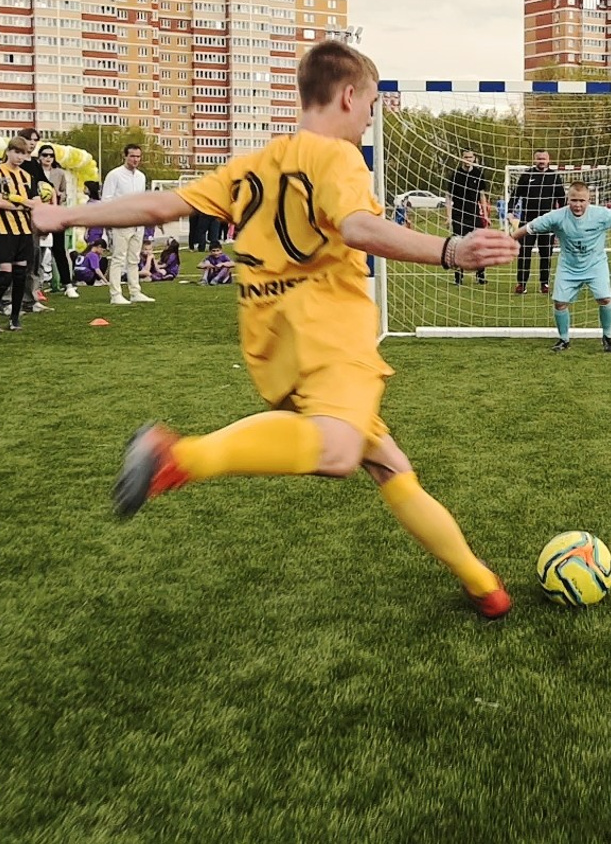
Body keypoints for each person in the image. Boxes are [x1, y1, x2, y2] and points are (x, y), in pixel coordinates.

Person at [32, 39, 520, 618]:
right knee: (339, 452)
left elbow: (163, 206)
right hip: (330, 337)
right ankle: (179, 455)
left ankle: (483, 586)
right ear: (346, 95)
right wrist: (449, 249)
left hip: (273, 345)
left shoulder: (254, 164)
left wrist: (68, 214)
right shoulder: (338, 157)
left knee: (389, 463)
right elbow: (361, 226)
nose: (368, 120)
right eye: (369, 107)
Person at [514, 180, 611, 353]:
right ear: (567, 199)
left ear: (589, 200)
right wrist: (508, 239)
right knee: (560, 302)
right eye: (574, 200)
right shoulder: (556, 216)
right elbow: (529, 227)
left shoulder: (602, 214)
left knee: (605, 299)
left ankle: (607, 337)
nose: (577, 205)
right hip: (568, 266)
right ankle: (564, 339)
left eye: (581, 201)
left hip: (595, 265)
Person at [0, 136, 41, 332]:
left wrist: (27, 204)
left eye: (24, 153)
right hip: (4, 230)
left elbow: (37, 202)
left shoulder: (27, 176)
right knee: (4, 276)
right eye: (17, 152)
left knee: (20, 275)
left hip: (24, 230)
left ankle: (15, 319)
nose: (20, 157)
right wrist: (23, 204)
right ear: (8, 151)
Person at [102, 144, 152, 305]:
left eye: (138, 156)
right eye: (132, 156)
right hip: (122, 222)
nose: (135, 159)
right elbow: (107, 200)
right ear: (125, 156)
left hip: (138, 222)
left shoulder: (141, 177)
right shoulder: (114, 175)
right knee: (118, 258)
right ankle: (115, 294)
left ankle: (135, 291)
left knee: (134, 258)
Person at [508, 149, 562, 295]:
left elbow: (561, 199)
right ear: (534, 160)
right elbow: (516, 194)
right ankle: (522, 284)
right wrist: (510, 211)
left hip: (548, 222)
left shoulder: (554, 177)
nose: (541, 161)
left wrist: (562, 220)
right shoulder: (527, 175)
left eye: (543, 158)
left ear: (548, 160)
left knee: (546, 254)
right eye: (538, 158)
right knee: (524, 253)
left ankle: (544, 284)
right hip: (527, 222)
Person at [443, 149, 492, 286]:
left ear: (474, 158)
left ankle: (481, 275)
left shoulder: (478, 174)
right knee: (458, 244)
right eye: (465, 157)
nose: (468, 159)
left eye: (470, 157)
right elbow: (448, 197)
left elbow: (482, 196)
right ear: (461, 158)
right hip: (459, 214)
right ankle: (458, 277)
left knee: (479, 244)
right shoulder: (455, 175)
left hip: (474, 214)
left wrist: (485, 215)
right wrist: (449, 217)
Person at [37, 145, 76, 297]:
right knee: (37, 252)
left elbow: (65, 193)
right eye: (45, 155)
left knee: (59, 250)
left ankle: (67, 284)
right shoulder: (34, 172)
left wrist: (58, 194)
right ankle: (37, 285)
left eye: (51, 156)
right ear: (39, 157)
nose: (48, 158)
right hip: (39, 215)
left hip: (55, 214)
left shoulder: (59, 173)